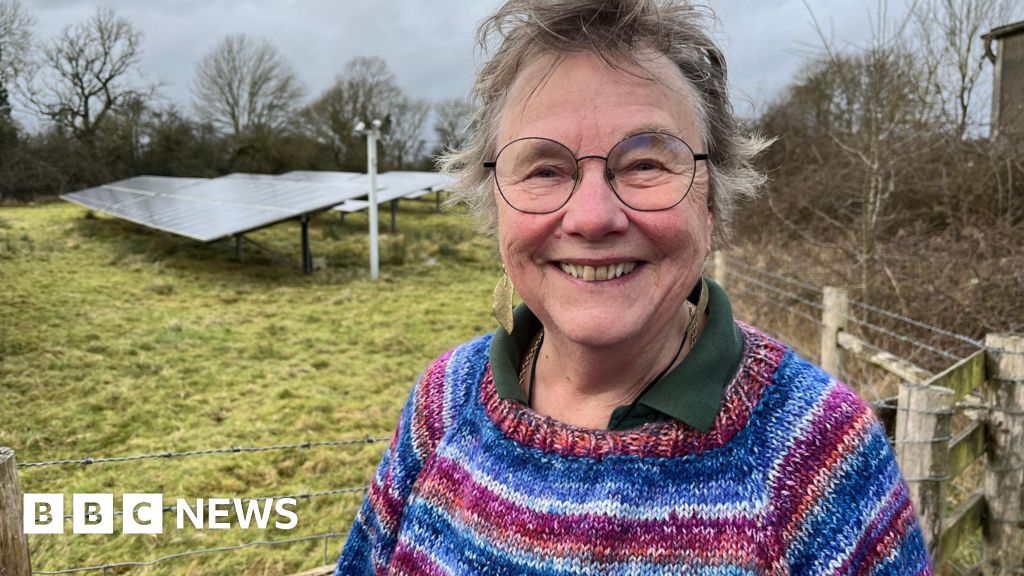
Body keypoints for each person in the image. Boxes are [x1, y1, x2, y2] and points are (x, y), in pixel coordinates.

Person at [335, 0, 931, 574]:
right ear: (494, 202)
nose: (593, 217)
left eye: (646, 164)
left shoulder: (819, 458)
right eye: (544, 169)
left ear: (714, 200)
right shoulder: (444, 401)